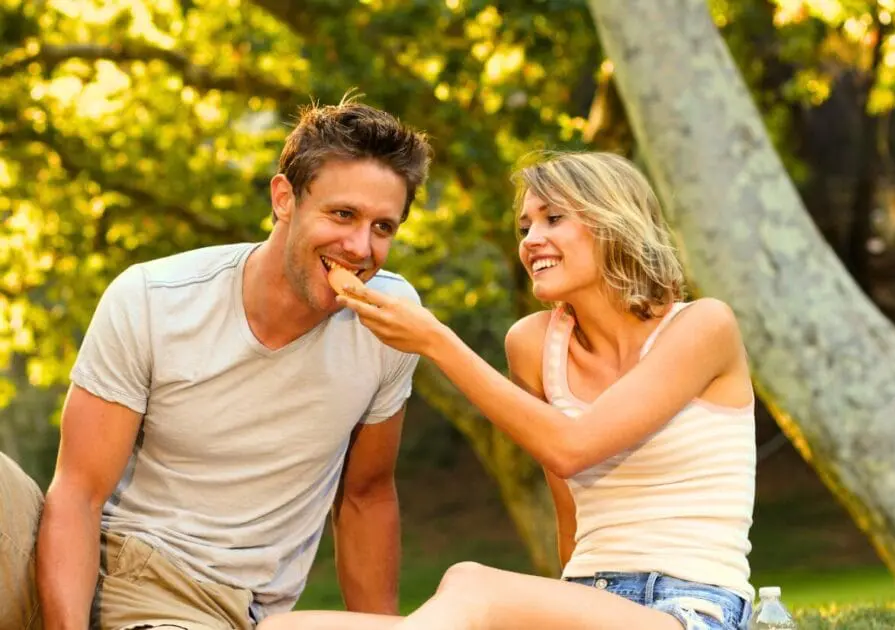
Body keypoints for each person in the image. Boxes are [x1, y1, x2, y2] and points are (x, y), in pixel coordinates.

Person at [258, 151, 757, 630]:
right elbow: (570, 519)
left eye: (553, 218)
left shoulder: (702, 327)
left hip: (691, 608)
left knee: (469, 584)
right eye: (525, 227)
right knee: (285, 627)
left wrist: (435, 341)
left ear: (614, 222)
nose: (531, 240)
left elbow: (572, 449)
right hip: (587, 601)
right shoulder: (534, 344)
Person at [0, 96, 433, 629]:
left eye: (383, 228)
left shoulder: (391, 324)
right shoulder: (154, 298)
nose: (360, 246)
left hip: (217, 608)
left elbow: (366, 496)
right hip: (117, 565)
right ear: (283, 198)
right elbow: (79, 491)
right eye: (343, 214)